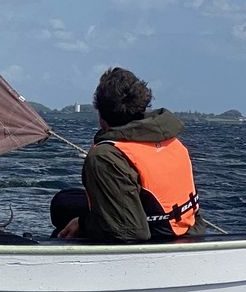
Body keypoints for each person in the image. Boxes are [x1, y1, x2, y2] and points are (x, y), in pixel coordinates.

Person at [53, 67, 204, 241]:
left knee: (63, 220)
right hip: (190, 227)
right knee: (63, 203)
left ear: (101, 115)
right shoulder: (172, 141)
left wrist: (82, 224)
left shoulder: (105, 156)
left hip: (155, 234)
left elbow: (132, 232)